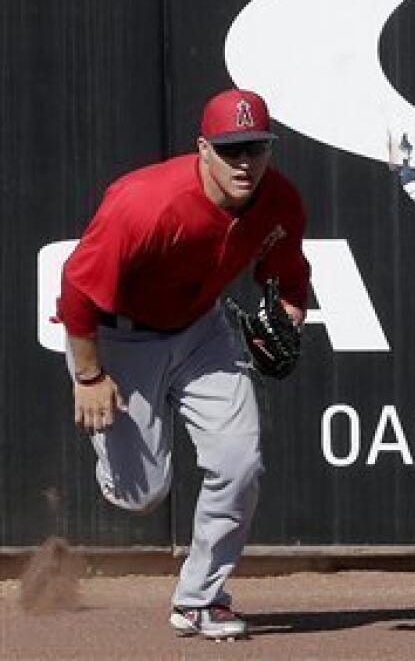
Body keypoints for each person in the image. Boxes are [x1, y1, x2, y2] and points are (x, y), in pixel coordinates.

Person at [56, 88, 310, 638]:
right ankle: (116, 453)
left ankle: (201, 599)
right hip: (120, 339)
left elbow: (288, 277)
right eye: (231, 149)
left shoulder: (279, 199)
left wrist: (290, 315)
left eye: (256, 147)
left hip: (202, 332)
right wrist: (91, 376)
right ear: (203, 149)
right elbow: (76, 291)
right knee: (141, 495)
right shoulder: (144, 203)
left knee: (240, 461)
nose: (245, 162)